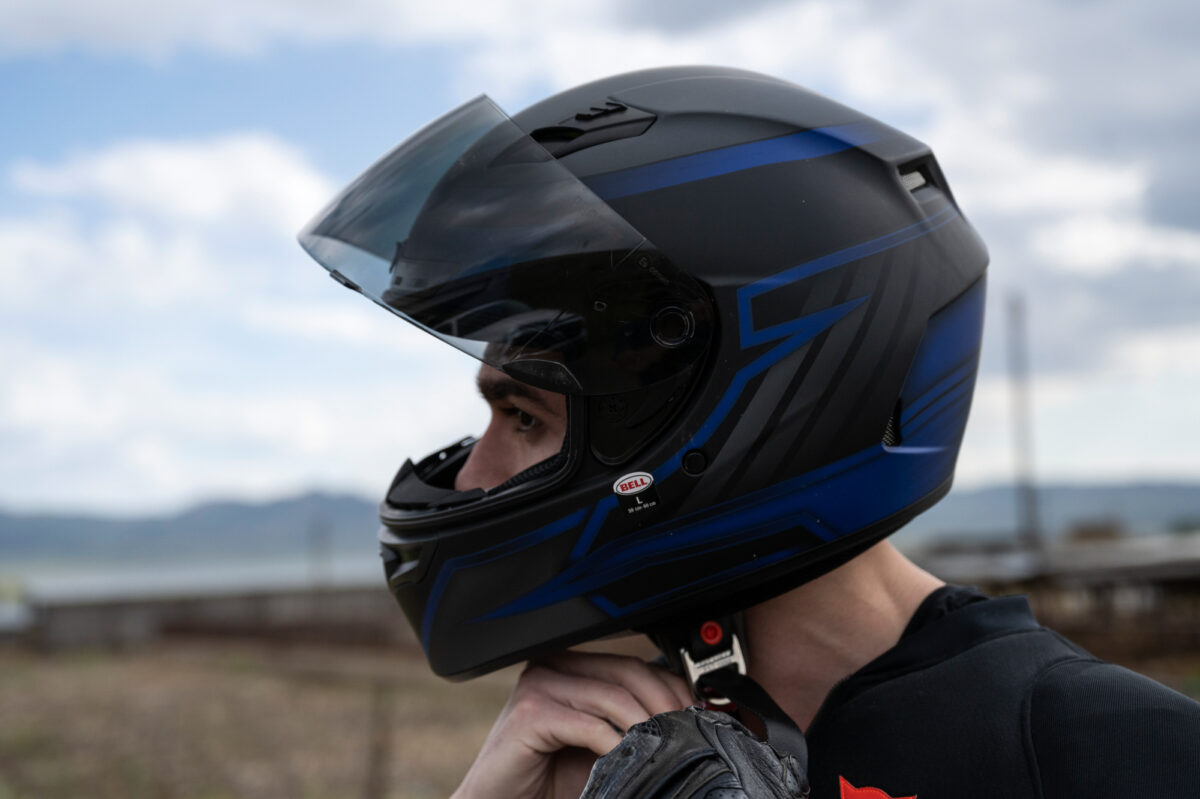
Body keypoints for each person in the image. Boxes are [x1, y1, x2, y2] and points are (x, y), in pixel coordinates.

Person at [299, 66, 1200, 798]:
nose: (471, 476)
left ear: (727, 410)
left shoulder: (1106, 754)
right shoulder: (614, 759)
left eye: (526, 415)